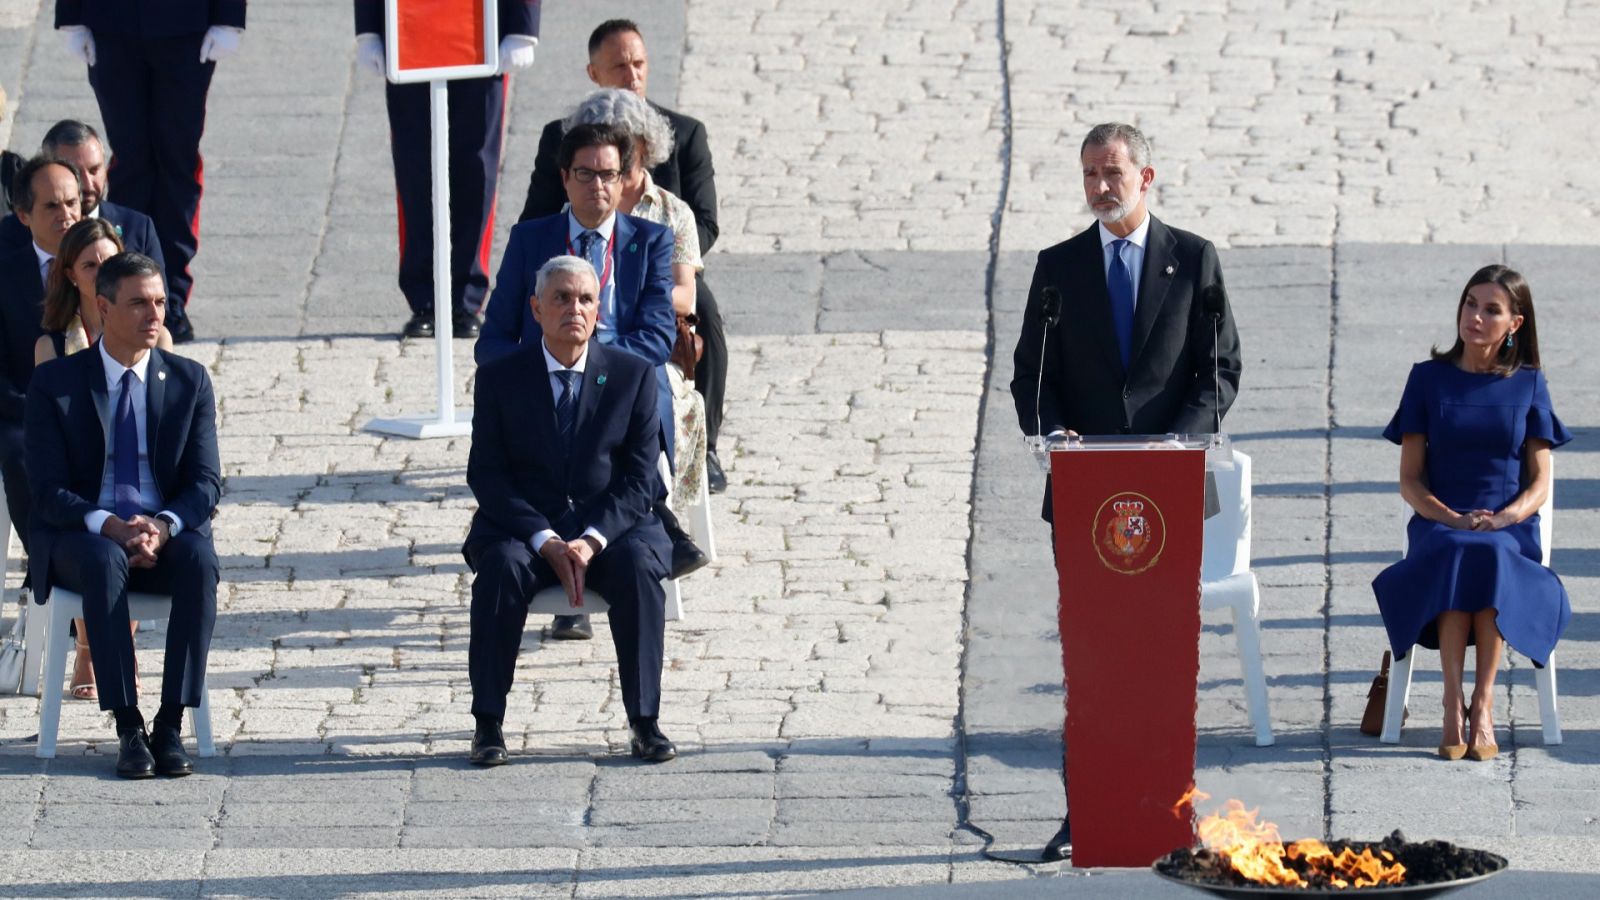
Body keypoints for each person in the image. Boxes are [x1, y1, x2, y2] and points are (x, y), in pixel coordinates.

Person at [1007, 122, 1243, 861]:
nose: (1100, 188)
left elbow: (1220, 367)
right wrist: (1052, 434)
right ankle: (1090, 814)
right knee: (1093, 659)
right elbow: (1029, 376)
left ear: (1146, 178)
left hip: (1167, 494)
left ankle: (1173, 813)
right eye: (1089, 175)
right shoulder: (1058, 267)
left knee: (1164, 657)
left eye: (1112, 173)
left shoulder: (1193, 260)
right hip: (1087, 499)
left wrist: (1182, 440)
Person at [479, 122, 690, 641]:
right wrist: (548, 365)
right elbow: (495, 338)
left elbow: (658, 335)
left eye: (609, 175)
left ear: (624, 182)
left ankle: (639, 515)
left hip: (623, 380)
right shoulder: (531, 240)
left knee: (648, 387)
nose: (598, 185)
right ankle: (567, 559)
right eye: (585, 173)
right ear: (565, 179)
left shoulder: (650, 240)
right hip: (547, 371)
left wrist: (599, 369)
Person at [464, 254, 675, 766]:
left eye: (585, 299)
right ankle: (488, 724)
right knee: (501, 569)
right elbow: (487, 476)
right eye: (560, 298)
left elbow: (640, 479)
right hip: (527, 530)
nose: (573, 309)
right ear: (535, 309)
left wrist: (591, 539)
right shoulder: (501, 378)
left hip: (608, 530)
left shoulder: (632, 376)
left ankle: (644, 722)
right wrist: (545, 539)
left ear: (598, 310)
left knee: (640, 568)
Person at [25, 252, 221, 778]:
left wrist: (162, 526)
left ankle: (171, 722)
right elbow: (45, 491)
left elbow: (206, 483)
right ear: (104, 308)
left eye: (159, 302)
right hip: (84, 533)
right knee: (102, 561)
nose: (153, 315)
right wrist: (109, 525)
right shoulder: (56, 384)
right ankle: (128, 724)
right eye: (138, 303)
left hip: (161, 529)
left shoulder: (189, 381)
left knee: (201, 559)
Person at [518, 18, 730, 494]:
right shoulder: (562, 137)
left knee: (706, 312)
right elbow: (533, 221)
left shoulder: (685, 133)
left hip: (667, 266)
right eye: (619, 66)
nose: (633, 76)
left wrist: (666, 265)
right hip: (581, 265)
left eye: (639, 64)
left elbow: (705, 220)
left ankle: (705, 445)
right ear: (594, 73)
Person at [1372, 265, 1570, 763]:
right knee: (1460, 549)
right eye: (1470, 304)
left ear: (1514, 324)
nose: (1475, 317)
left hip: (1509, 527)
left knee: (1489, 553)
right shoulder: (1427, 378)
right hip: (1442, 522)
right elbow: (1410, 479)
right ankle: (1449, 702)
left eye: (1491, 310)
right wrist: (1451, 517)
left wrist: (1505, 518)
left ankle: (1481, 706)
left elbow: (1540, 480)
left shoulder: (1529, 384)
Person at [561, 88, 711, 542]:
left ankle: (646, 505)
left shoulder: (670, 213)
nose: (619, 161)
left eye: (628, 146)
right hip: (581, 344)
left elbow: (685, 296)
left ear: (646, 148)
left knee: (648, 383)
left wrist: (639, 298)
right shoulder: (576, 212)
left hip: (643, 341)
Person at [36, 218, 175, 700]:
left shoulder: (156, 343)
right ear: (72, 275)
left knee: (137, 513)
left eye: (108, 262)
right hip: (84, 491)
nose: (100, 271)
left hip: (141, 494)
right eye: (90, 265)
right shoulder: (55, 349)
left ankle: (114, 652)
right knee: (96, 532)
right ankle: (95, 650)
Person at [56, 0, 249, 343]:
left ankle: (170, 297)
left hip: (185, 23)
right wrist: (71, 14)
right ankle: (125, 288)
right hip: (111, 21)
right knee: (130, 161)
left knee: (178, 160)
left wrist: (229, 16)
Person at [353, 0, 540, 340]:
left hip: (480, 24)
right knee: (414, 164)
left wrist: (522, 25)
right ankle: (424, 297)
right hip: (408, 24)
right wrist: (369, 26)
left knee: (477, 164)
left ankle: (466, 299)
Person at [1, 156, 84, 583]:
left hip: (95, 403)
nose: (67, 215)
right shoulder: (4, 269)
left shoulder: (103, 264)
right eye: (52, 206)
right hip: (20, 408)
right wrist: (37, 409)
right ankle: (52, 568)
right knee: (20, 454)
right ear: (22, 215)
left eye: (73, 202)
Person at [0, 121, 167, 277]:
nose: (87, 185)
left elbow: (159, 304)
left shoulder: (137, 230)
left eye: (94, 170)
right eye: (75, 173)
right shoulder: (10, 235)